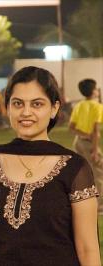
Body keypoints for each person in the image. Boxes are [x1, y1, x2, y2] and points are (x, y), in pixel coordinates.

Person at [0, 66, 101, 266]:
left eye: (37, 104)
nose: (26, 112)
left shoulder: (74, 167)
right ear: (8, 107)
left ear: (54, 108)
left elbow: (88, 248)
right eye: (17, 103)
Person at [69, 78, 103, 214]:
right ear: (93, 91)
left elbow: (71, 128)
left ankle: (80, 201)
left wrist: (83, 134)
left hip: (78, 143)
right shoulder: (97, 106)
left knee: (82, 173)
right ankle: (100, 206)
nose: (97, 91)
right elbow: (95, 130)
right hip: (89, 145)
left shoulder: (79, 105)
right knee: (99, 173)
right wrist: (95, 150)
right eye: (96, 88)